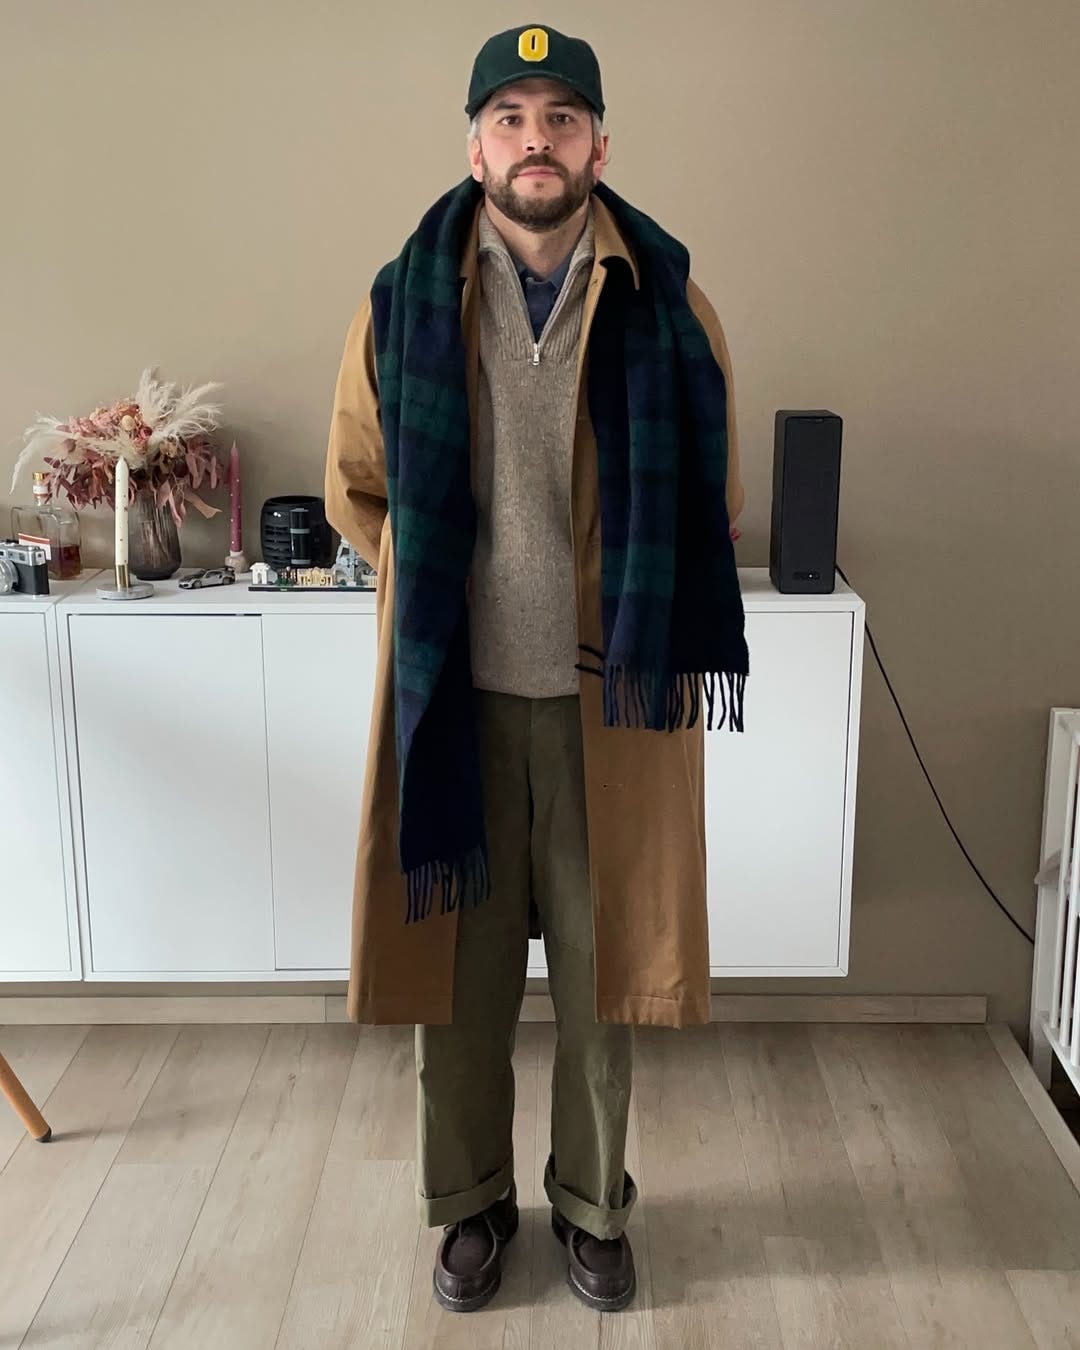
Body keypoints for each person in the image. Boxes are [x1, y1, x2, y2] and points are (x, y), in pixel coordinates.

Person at [324, 23, 748, 1316]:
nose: (535, 142)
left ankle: (594, 1205)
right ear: (476, 146)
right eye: (509, 118)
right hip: (455, 702)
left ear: (599, 145)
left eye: (561, 118)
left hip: (606, 714)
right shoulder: (402, 300)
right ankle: (467, 1207)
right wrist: (439, 589)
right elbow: (356, 488)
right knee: (457, 986)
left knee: (603, 984)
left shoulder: (668, 303)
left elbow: (712, 503)